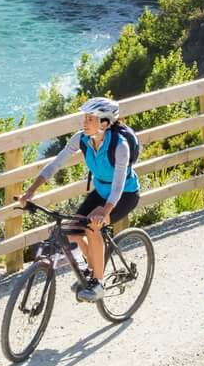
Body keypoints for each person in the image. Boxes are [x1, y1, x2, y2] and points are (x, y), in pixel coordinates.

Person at [15, 96, 140, 302]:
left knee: (92, 227)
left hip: (125, 195)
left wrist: (104, 211)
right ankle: (92, 268)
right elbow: (55, 164)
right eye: (85, 118)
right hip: (101, 192)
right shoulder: (81, 138)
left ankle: (98, 284)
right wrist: (31, 192)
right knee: (72, 229)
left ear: (105, 123)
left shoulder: (120, 146)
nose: (84, 123)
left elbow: (118, 186)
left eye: (90, 119)